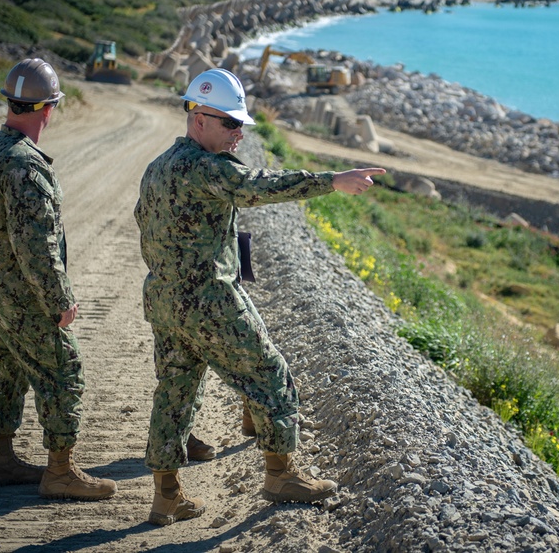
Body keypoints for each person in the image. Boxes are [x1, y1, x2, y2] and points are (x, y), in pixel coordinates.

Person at [135, 68, 384, 526]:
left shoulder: (159, 166)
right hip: (207, 300)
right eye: (231, 124)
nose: (238, 133)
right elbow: (259, 187)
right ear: (199, 118)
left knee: (174, 392)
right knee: (272, 375)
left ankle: (166, 496)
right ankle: (281, 475)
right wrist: (332, 180)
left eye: (241, 125)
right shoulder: (207, 168)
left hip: (164, 299)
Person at [0, 58, 117, 501]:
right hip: (21, 292)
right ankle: (61, 471)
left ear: (11, 103)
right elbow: (37, 247)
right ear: (48, 108)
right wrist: (59, 300)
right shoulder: (26, 166)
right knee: (63, 369)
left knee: (4, 366)